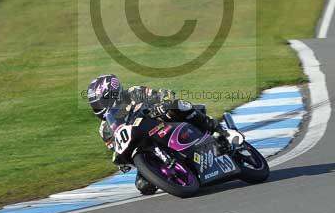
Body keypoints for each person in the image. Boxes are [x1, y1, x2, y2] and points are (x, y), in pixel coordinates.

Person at [87, 74, 230, 195]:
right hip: (140, 145)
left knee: (177, 105)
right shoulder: (104, 129)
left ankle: (215, 128)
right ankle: (176, 174)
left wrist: (161, 102)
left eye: (101, 102)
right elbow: (115, 146)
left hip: (160, 123)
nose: (100, 108)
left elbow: (161, 95)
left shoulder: (133, 92)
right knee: (143, 186)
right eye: (96, 105)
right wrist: (122, 162)